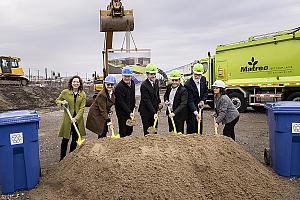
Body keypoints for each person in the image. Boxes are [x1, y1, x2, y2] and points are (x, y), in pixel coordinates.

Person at [55, 75, 86, 161]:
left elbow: (82, 108)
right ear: (71, 83)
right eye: (74, 82)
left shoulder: (82, 94)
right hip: (68, 119)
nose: (76, 83)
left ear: (80, 84)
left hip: (78, 120)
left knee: (75, 139)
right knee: (65, 139)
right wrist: (62, 102)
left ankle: (70, 158)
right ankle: (62, 158)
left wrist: (76, 118)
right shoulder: (65, 92)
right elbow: (57, 100)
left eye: (77, 82)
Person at [184, 63, 208, 134]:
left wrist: (203, 100)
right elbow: (190, 101)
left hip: (200, 107)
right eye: (195, 74)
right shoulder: (188, 84)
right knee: (192, 128)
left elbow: (205, 91)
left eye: (199, 75)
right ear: (193, 72)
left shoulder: (203, 79)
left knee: (199, 126)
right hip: (191, 110)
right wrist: (196, 113)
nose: (197, 76)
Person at [138, 64, 162, 135]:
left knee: (154, 129)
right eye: (151, 74)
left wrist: (159, 104)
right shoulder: (144, 85)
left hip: (154, 109)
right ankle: (147, 145)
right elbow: (146, 100)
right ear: (147, 74)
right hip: (146, 111)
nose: (153, 76)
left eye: (154, 74)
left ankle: (154, 144)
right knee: (147, 131)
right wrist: (154, 112)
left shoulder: (156, 82)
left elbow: (157, 94)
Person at [115, 66, 135, 137]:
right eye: (125, 76)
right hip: (122, 112)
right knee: (123, 130)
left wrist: (133, 107)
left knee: (130, 129)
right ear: (122, 76)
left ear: (131, 76)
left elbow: (132, 96)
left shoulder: (132, 83)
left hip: (130, 111)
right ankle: (122, 145)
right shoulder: (119, 87)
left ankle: (128, 144)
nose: (127, 78)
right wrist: (129, 112)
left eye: (128, 76)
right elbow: (121, 102)